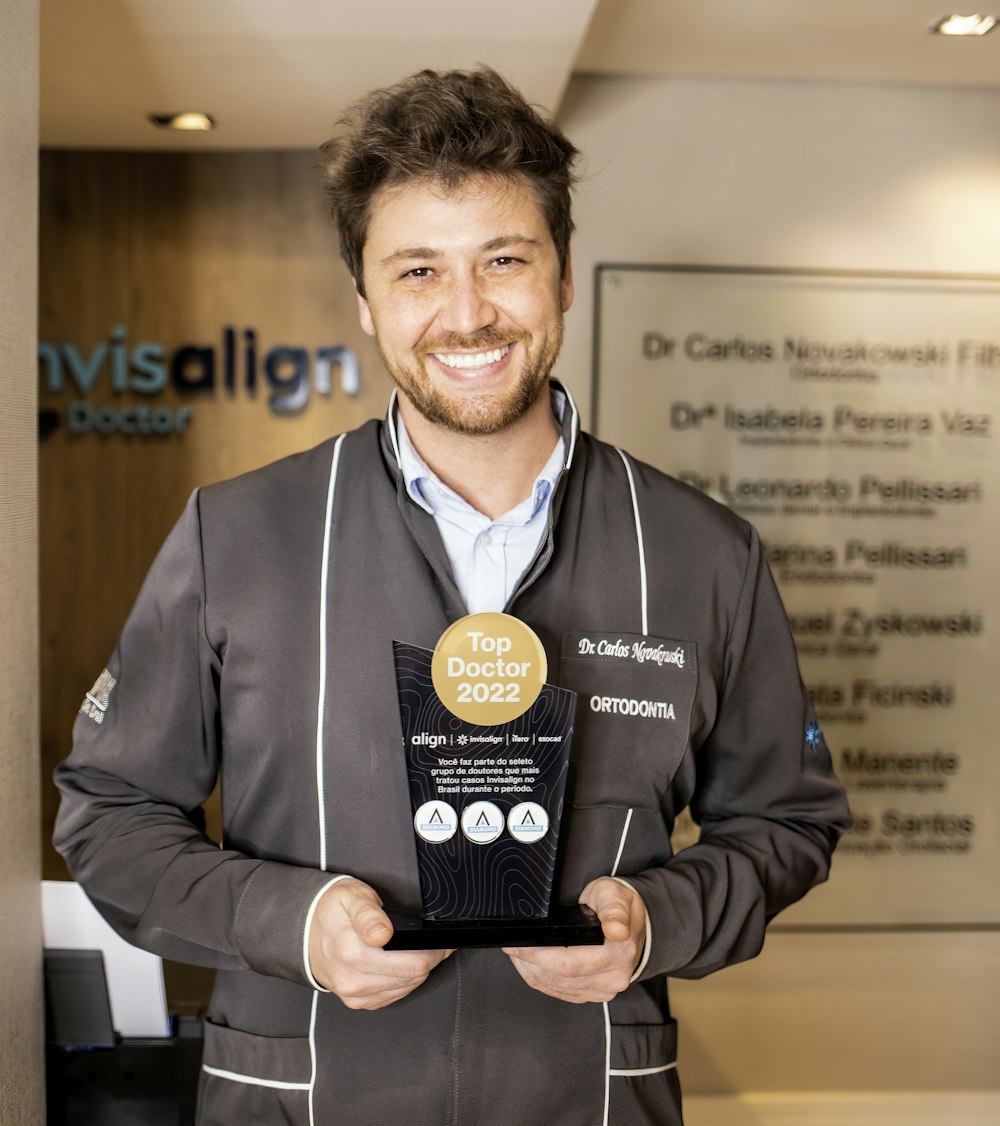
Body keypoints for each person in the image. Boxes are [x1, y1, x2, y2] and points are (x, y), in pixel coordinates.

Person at [54, 67, 851, 1126]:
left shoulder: (704, 554)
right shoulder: (237, 535)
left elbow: (787, 821)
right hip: (301, 1095)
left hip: (586, 1095)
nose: (467, 313)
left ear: (561, 275)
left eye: (504, 261)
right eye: (419, 269)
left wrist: (654, 918)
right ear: (366, 301)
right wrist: (291, 920)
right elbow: (109, 814)